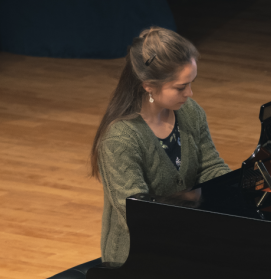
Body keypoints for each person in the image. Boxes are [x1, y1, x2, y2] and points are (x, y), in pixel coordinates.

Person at [90, 27, 231, 265]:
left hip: (188, 235)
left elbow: (210, 167)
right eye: (180, 87)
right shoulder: (120, 139)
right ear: (149, 86)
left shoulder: (190, 112)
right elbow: (137, 213)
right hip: (137, 257)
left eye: (191, 83)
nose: (190, 93)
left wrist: (235, 191)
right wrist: (190, 202)